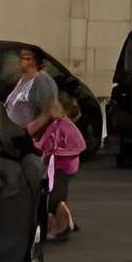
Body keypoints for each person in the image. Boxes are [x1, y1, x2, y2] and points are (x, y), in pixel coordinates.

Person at [29, 86, 84, 241]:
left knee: (54, 198)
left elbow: (46, 143)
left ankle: (63, 226)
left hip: (63, 166)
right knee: (55, 194)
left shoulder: (61, 125)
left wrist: (41, 148)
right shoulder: (57, 124)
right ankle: (66, 222)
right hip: (62, 166)